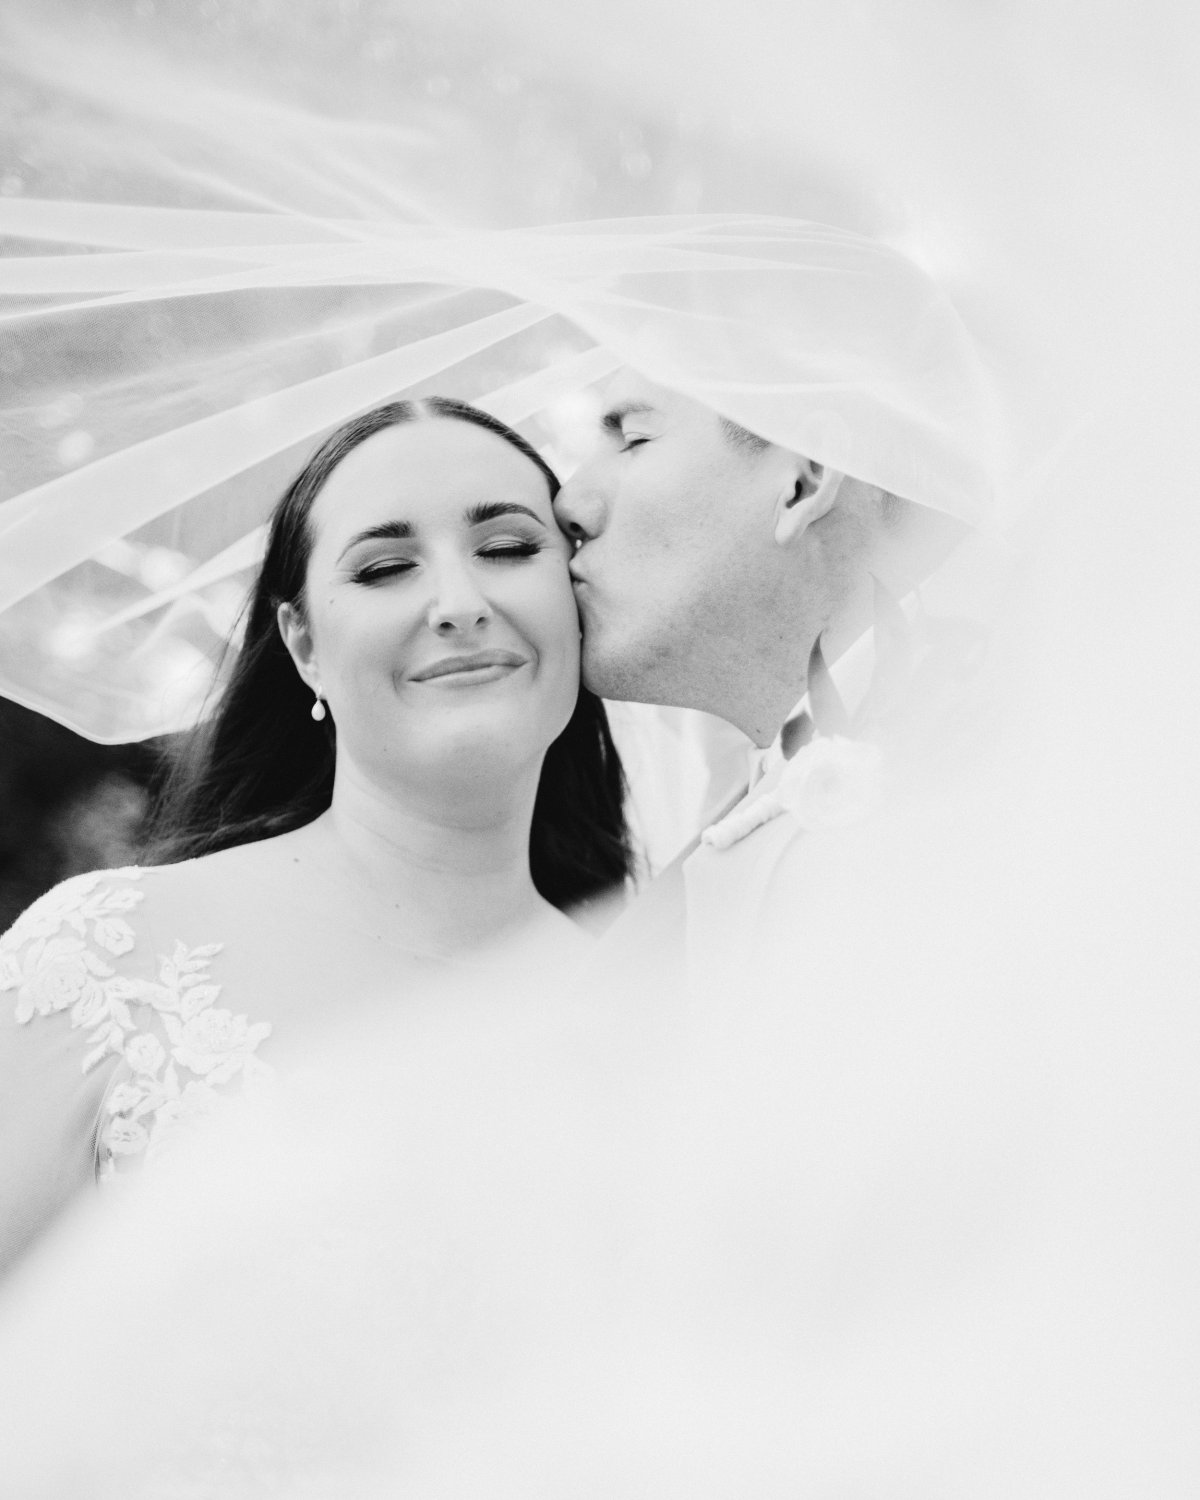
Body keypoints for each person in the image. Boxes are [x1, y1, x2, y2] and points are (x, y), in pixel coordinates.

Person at [0, 395, 632, 1275]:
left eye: (508, 549)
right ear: (302, 645)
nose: (459, 604)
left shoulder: (650, 1008)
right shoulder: (109, 957)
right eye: (385, 568)